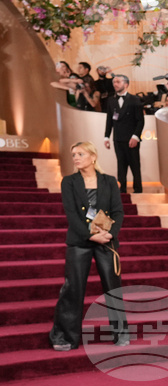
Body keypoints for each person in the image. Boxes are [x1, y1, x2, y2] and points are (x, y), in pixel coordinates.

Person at [49, 141, 128, 351]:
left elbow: (118, 212)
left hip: (106, 241)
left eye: (80, 154)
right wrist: (90, 236)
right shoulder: (69, 182)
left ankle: (120, 333)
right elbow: (72, 215)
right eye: (73, 154)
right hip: (79, 242)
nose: (75, 158)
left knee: (113, 287)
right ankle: (65, 337)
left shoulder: (109, 181)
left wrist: (110, 234)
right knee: (72, 289)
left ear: (93, 157)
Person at [103, 74, 144, 194]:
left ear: (126, 84)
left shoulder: (135, 99)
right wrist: (106, 136)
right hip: (118, 138)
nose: (115, 84)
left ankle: (138, 189)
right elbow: (109, 119)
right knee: (121, 165)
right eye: (114, 82)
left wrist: (136, 136)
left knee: (134, 165)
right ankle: (122, 190)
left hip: (131, 138)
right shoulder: (111, 100)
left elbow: (140, 120)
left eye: (118, 82)